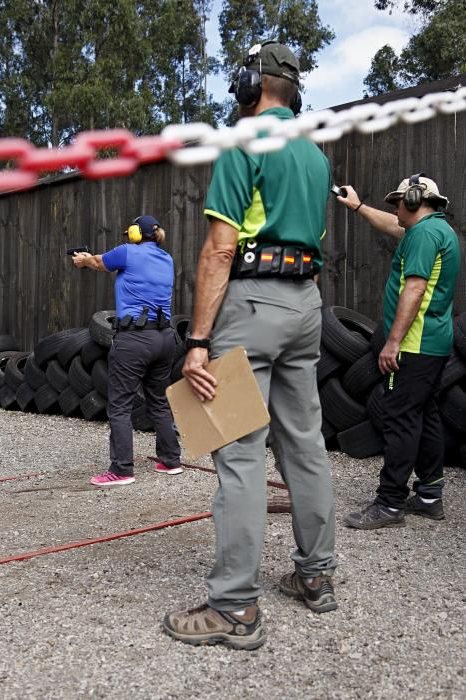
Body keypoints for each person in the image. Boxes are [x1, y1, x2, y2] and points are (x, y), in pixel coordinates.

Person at [163, 41, 337, 651]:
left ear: (250, 83)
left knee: (238, 452)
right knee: (306, 444)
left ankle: (234, 606)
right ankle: (316, 575)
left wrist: (199, 341)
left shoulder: (243, 141)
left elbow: (219, 249)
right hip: (305, 308)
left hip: (251, 303)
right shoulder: (317, 157)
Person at [336, 175, 460, 529]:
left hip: (412, 344)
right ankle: (429, 495)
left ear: (415, 198)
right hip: (433, 344)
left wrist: (392, 342)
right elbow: (395, 226)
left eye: (397, 201)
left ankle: (389, 504)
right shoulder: (436, 230)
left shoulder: (422, 235)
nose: (394, 207)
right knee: (426, 414)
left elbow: (415, 288)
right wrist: (358, 207)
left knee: (401, 420)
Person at [73, 215, 182, 487]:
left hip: (134, 339)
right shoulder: (166, 259)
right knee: (158, 400)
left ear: (135, 233)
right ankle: (170, 460)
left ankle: (121, 470)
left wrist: (83, 260)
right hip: (165, 338)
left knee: (119, 405)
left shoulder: (127, 252)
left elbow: (99, 262)